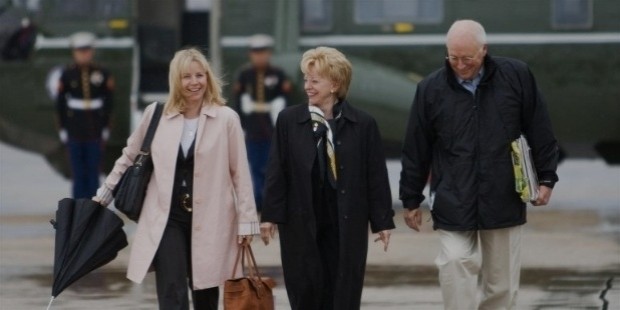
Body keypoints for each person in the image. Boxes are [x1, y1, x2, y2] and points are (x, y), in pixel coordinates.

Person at [399, 20, 559, 310]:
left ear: (484, 50)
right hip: (452, 195)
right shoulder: (430, 89)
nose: (459, 65)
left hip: (504, 194)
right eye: (452, 57)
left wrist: (546, 177)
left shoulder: (517, 76)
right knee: (455, 260)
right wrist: (411, 197)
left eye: (467, 58)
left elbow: (540, 128)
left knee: (501, 284)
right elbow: (416, 147)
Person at [92, 48, 259, 310]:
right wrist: (104, 193)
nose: (194, 82)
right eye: (186, 77)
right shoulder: (156, 115)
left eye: (199, 75)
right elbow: (129, 156)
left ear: (208, 78)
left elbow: (240, 173)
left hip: (212, 217)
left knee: (205, 290)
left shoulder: (226, 118)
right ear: (175, 81)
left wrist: (247, 220)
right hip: (167, 215)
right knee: (171, 288)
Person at [260, 46, 395, 309]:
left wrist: (382, 221)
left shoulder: (363, 124)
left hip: (346, 223)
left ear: (334, 84)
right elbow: (277, 171)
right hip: (301, 223)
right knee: (305, 290)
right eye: (306, 79)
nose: (307, 86)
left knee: (343, 292)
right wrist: (269, 216)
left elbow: (375, 176)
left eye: (315, 80)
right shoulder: (289, 120)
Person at [233, 33, 291, 212]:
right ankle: (258, 201)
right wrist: (241, 124)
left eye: (263, 52)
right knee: (254, 165)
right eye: (256, 52)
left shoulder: (278, 74)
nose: (259, 56)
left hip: (272, 126)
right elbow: (238, 100)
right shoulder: (244, 75)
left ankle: (271, 201)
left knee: (272, 165)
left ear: (269, 53)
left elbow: (286, 97)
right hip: (253, 127)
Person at [55, 32, 114, 199]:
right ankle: (78, 205)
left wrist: (105, 127)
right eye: (80, 51)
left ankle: (92, 205)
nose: (84, 54)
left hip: (94, 127)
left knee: (93, 171)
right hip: (74, 128)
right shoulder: (67, 74)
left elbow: (108, 102)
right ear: (74, 53)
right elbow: (60, 103)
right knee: (78, 172)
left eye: (87, 50)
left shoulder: (102, 73)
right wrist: (63, 128)